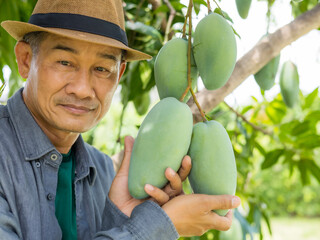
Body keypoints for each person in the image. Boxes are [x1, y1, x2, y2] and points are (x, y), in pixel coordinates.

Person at [0, 0, 241, 239]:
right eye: (65, 62)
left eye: (102, 69)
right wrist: (156, 227)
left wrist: (123, 216)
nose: (83, 89)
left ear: (119, 75)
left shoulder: (104, 173)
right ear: (25, 60)